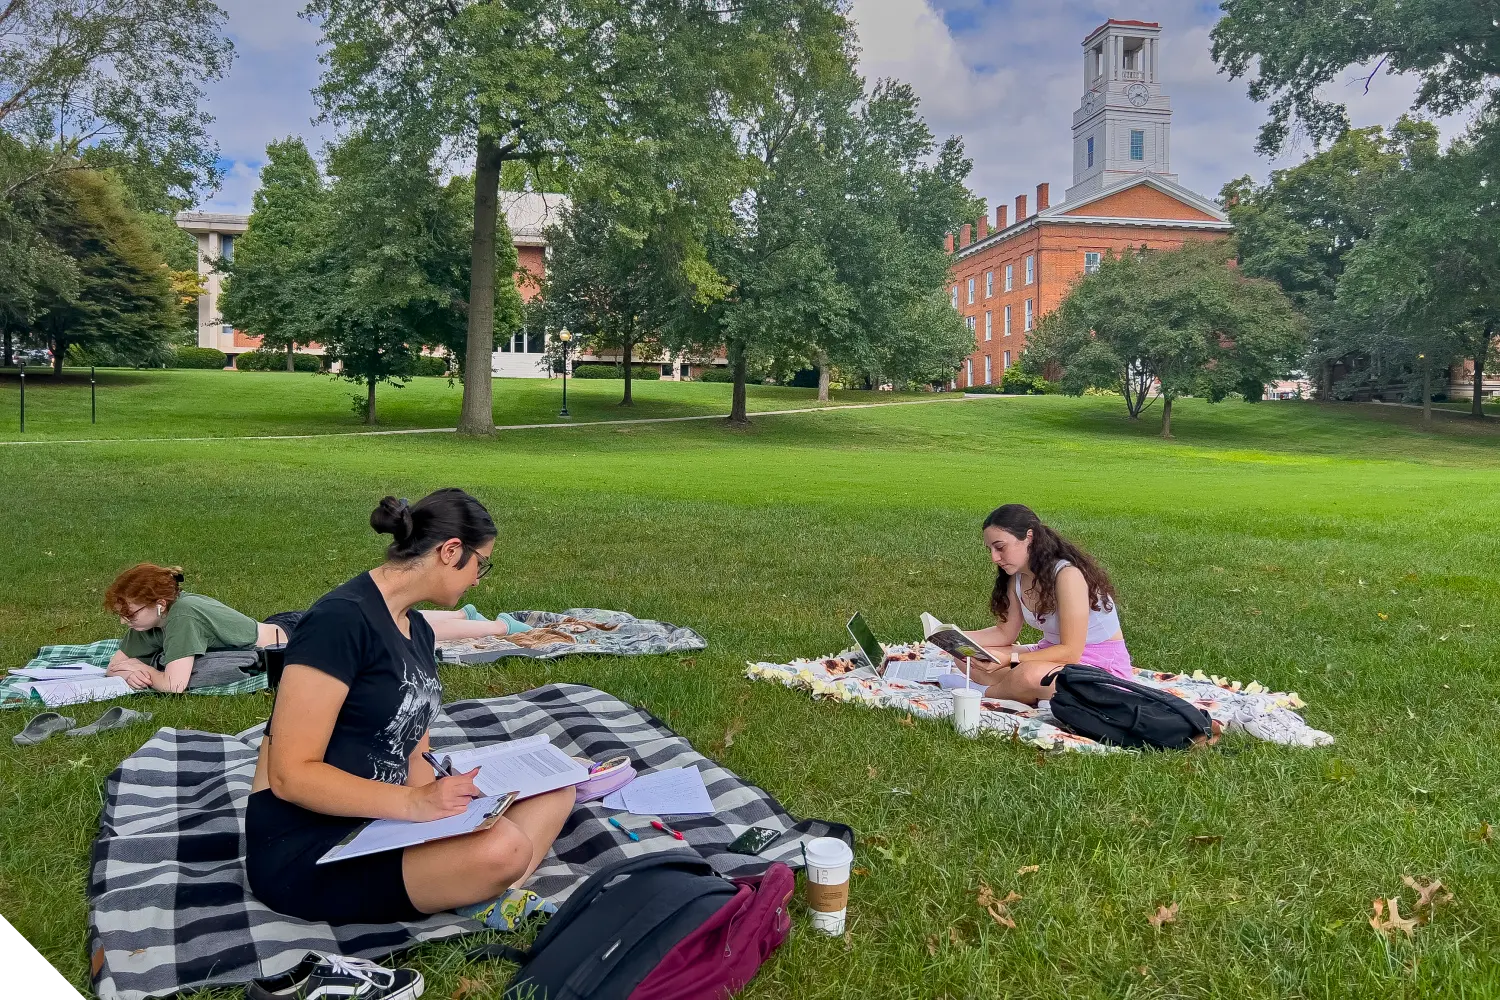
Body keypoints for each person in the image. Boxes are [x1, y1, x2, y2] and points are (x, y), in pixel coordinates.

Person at [245, 489, 574, 925]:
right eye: (482, 564)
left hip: (384, 819)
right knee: (505, 848)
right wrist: (415, 804)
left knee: (555, 790)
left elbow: (415, 752)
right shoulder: (338, 622)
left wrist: (448, 803)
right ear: (451, 551)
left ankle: (474, 885)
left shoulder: (416, 628)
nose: (479, 579)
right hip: (309, 841)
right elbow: (290, 775)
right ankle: (480, 886)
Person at [951, 504, 1132, 705]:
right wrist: (952, 637)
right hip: (1049, 654)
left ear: (1029, 537)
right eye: (990, 550)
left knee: (1028, 675)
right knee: (966, 657)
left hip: (1096, 666)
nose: (994, 558)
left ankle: (987, 693)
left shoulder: (1067, 576)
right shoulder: (1017, 577)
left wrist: (1011, 661)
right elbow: (1005, 633)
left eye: (1000, 547)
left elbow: (1071, 652)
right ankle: (1020, 691)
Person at [103, 564, 289, 693]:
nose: (123, 621)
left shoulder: (182, 615)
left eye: (130, 614)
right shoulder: (148, 621)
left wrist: (144, 670)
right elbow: (113, 667)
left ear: (160, 604)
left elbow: (174, 685)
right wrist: (131, 674)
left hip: (290, 637)